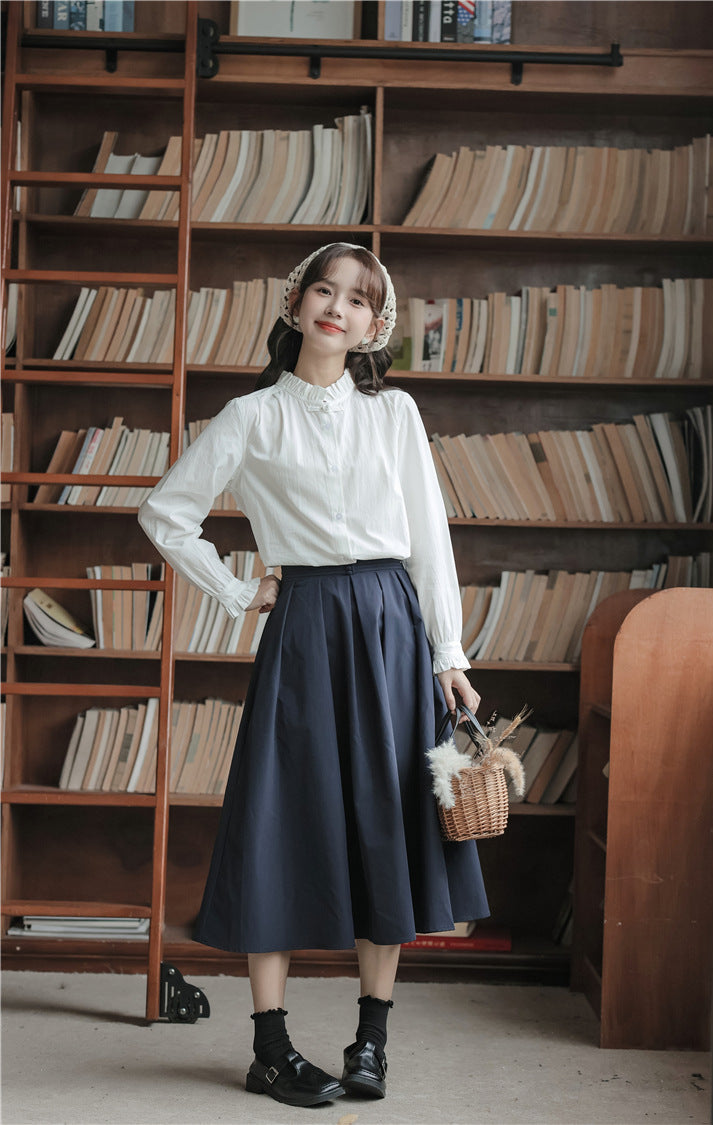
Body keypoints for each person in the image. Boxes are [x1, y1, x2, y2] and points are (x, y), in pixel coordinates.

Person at [138, 242, 490, 1108]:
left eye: (360, 300)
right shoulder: (252, 416)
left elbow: (429, 539)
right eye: (325, 290)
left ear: (377, 325)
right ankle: (270, 1047)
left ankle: (371, 1040)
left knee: (388, 826)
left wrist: (449, 654)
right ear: (296, 303)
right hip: (302, 623)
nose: (340, 307)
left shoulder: (395, 413)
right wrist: (236, 589)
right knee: (280, 826)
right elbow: (165, 512)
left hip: (390, 624)